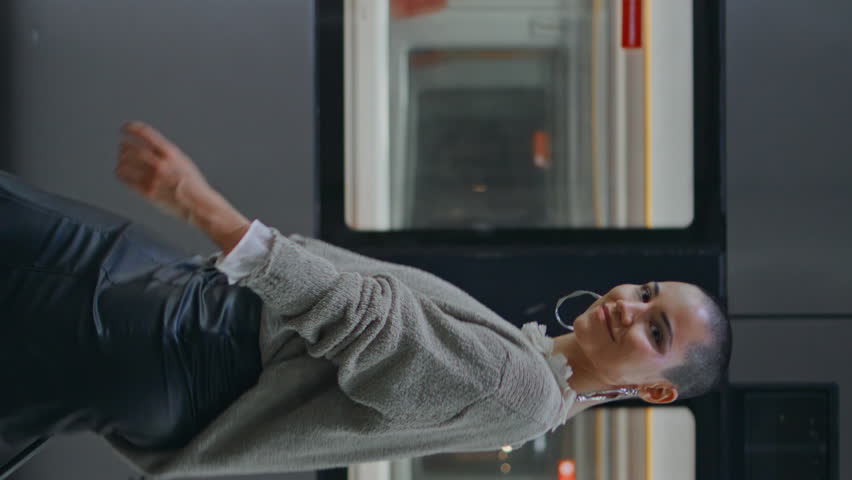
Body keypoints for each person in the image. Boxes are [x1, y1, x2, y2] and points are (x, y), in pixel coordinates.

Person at [0, 122, 732, 478]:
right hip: (181, 351)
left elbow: (367, 325)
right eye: (644, 291)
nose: (629, 307)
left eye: (655, 329)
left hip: (187, 340)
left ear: (654, 390)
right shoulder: (532, 375)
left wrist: (203, 207)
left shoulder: (522, 391)